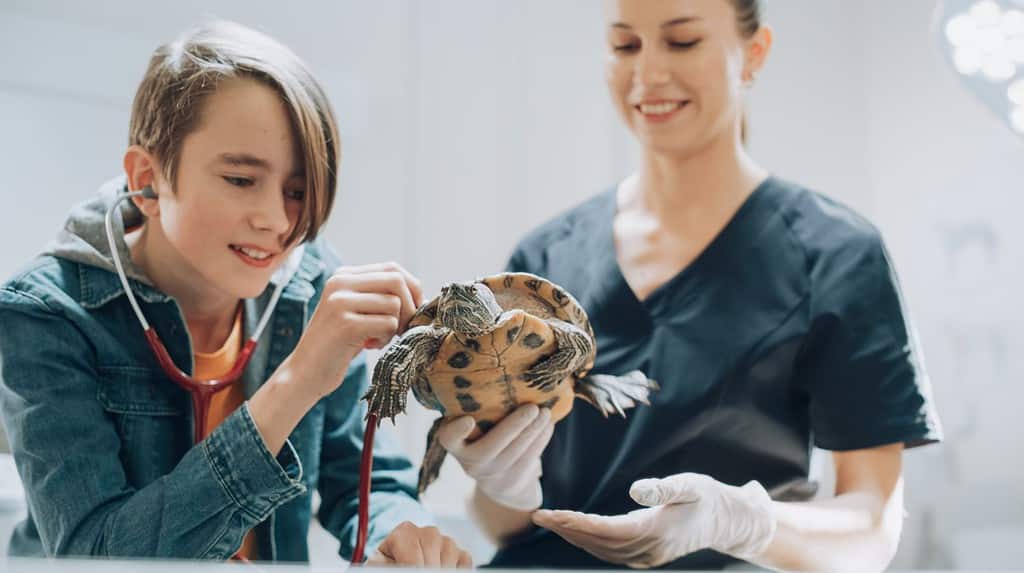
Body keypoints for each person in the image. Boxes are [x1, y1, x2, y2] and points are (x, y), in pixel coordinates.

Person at [432, 0, 943, 570]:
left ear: (754, 54)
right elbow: (505, 526)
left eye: (682, 42)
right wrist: (504, 487)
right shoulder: (547, 257)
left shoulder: (835, 254)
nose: (648, 73)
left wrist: (742, 522)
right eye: (626, 45)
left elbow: (869, 530)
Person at [0, 21, 470, 567]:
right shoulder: (44, 316)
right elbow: (97, 557)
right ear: (147, 179)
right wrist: (295, 382)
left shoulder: (311, 284)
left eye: (297, 190)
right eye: (241, 180)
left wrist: (401, 537)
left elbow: (364, 481)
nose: (277, 221)